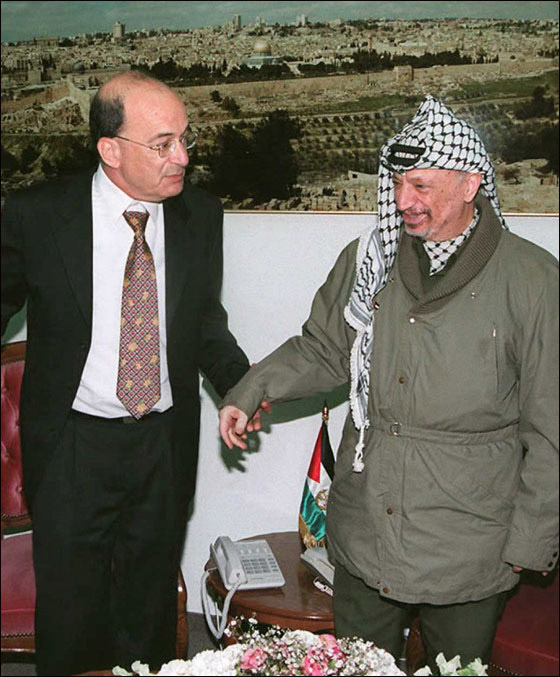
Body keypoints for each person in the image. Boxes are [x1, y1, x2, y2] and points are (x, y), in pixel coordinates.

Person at [219, 96, 559, 670]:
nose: (403, 201)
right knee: (359, 666)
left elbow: (552, 428)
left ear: (471, 183)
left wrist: (531, 539)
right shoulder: (368, 259)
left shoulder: (533, 279)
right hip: (367, 526)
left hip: (468, 540)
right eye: (397, 183)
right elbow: (325, 349)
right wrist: (251, 389)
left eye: (421, 185)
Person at [1, 71, 265, 676]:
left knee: (148, 621)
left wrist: (241, 385)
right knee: (71, 622)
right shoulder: (40, 215)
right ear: (111, 149)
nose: (183, 157)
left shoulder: (200, 214)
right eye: (163, 143)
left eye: (185, 139)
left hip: (161, 448)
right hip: (71, 448)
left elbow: (204, 323)